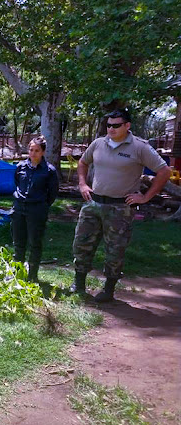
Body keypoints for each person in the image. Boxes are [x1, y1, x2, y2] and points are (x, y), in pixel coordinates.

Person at [71, 109, 172, 302]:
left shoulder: (139, 147)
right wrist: (83, 184)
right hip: (94, 203)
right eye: (108, 125)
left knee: (115, 250)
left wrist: (145, 197)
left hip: (120, 208)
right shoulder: (98, 143)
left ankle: (108, 290)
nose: (111, 128)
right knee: (82, 244)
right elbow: (83, 162)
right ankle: (79, 283)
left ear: (127, 125)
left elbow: (164, 171)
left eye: (116, 125)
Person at [11, 136, 59, 282]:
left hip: (36, 210)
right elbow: (17, 183)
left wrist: (41, 205)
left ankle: (32, 276)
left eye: (37, 150)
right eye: (31, 150)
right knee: (18, 243)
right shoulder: (21, 167)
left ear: (43, 152)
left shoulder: (49, 171)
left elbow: (52, 193)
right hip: (19, 209)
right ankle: (17, 275)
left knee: (34, 243)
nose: (33, 153)